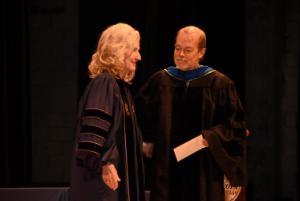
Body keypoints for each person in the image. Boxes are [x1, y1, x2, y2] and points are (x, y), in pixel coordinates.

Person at [135, 25, 248, 201]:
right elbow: (141, 116)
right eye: (177, 48)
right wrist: (147, 140)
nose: (180, 54)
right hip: (166, 167)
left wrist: (211, 137)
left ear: (201, 52)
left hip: (204, 169)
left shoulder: (219, 84)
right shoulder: (160, 80)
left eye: (187, 50)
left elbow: (235, 125)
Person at [69, 22, 145, 201]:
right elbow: (93, 135)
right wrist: (106, 162)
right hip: (101, 181)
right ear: (120, 49)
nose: (139, 56)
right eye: (134, 50)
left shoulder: (121, 88)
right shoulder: (105, 83)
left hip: (113, 179)